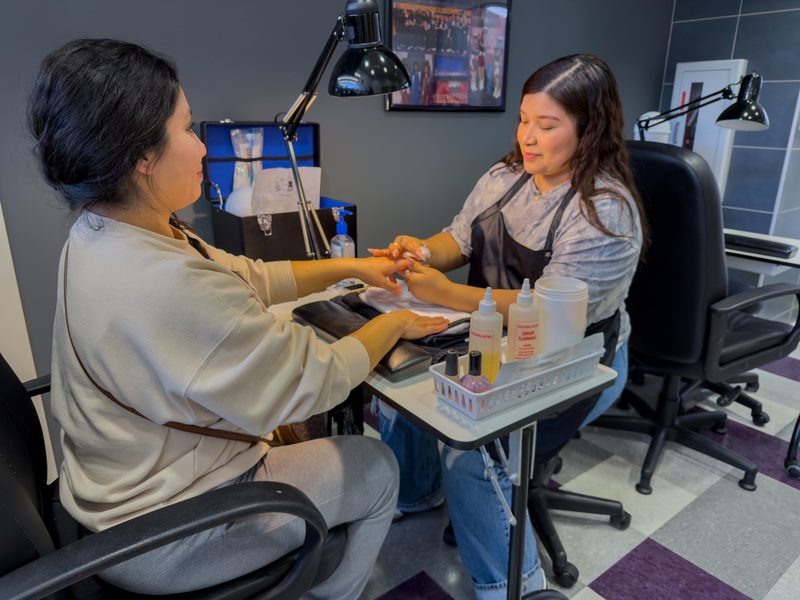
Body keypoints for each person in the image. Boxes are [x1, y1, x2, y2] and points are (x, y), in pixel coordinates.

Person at [26, 38, 449, 599]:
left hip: (110, 492)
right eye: (188, 128)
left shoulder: (103, 231)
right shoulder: (164, 283)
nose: (203, 147)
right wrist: (393, 324)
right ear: (141, 158)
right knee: (375, 466)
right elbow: (315, 379)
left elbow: (247, 274)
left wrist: (352, 267)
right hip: (161, 536)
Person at [371, 54, 647, 597]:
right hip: (491, 338)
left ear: (589, 128)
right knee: (400, 387)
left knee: (474, 453)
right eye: (523, 120)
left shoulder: (603, 212)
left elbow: (548, 311)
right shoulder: (506, 176)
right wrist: (422, 252)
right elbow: (460, 238)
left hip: (572, 357)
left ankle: (511, 586)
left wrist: (446, 293)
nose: (528, 137)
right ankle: (418, 494)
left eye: (547, 125)